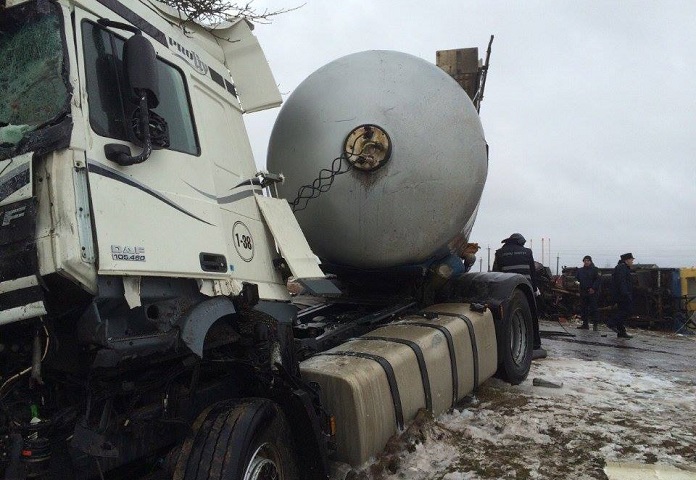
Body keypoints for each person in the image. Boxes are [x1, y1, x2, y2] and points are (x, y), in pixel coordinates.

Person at [492, 233, 546, 359]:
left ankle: (506, 345)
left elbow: (496, 274)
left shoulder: (499, 253)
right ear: (520, 242)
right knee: (531, 317)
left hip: (507, 292)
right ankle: (535, 345)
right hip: (525, 290)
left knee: (507, 319)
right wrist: (534, 289)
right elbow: (533, 272)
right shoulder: (527, 252)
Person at [607, 252, 635, 339]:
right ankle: (611, 323)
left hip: (621, 294)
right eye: (631, 260)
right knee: (627, 311)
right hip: (622, 295)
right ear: (626, 260)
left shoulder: (623, 267)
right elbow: (622, 282)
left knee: (622, 311)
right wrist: (625, 293)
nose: (632, 262)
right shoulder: (622, 268)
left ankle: (621, 332)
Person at [576, 255, 601, 331]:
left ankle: (595, 325)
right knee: (584, 308)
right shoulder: (580, 270)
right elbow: (576, 279)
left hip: (592, 292)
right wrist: (577, 284)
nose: (586, 262)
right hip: (583, 291)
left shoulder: (595, 270)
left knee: (594, 308)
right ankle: (585, 324)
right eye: (585, 261)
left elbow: (598, 280)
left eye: (588, 260)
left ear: (590, 261)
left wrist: (593, 288)